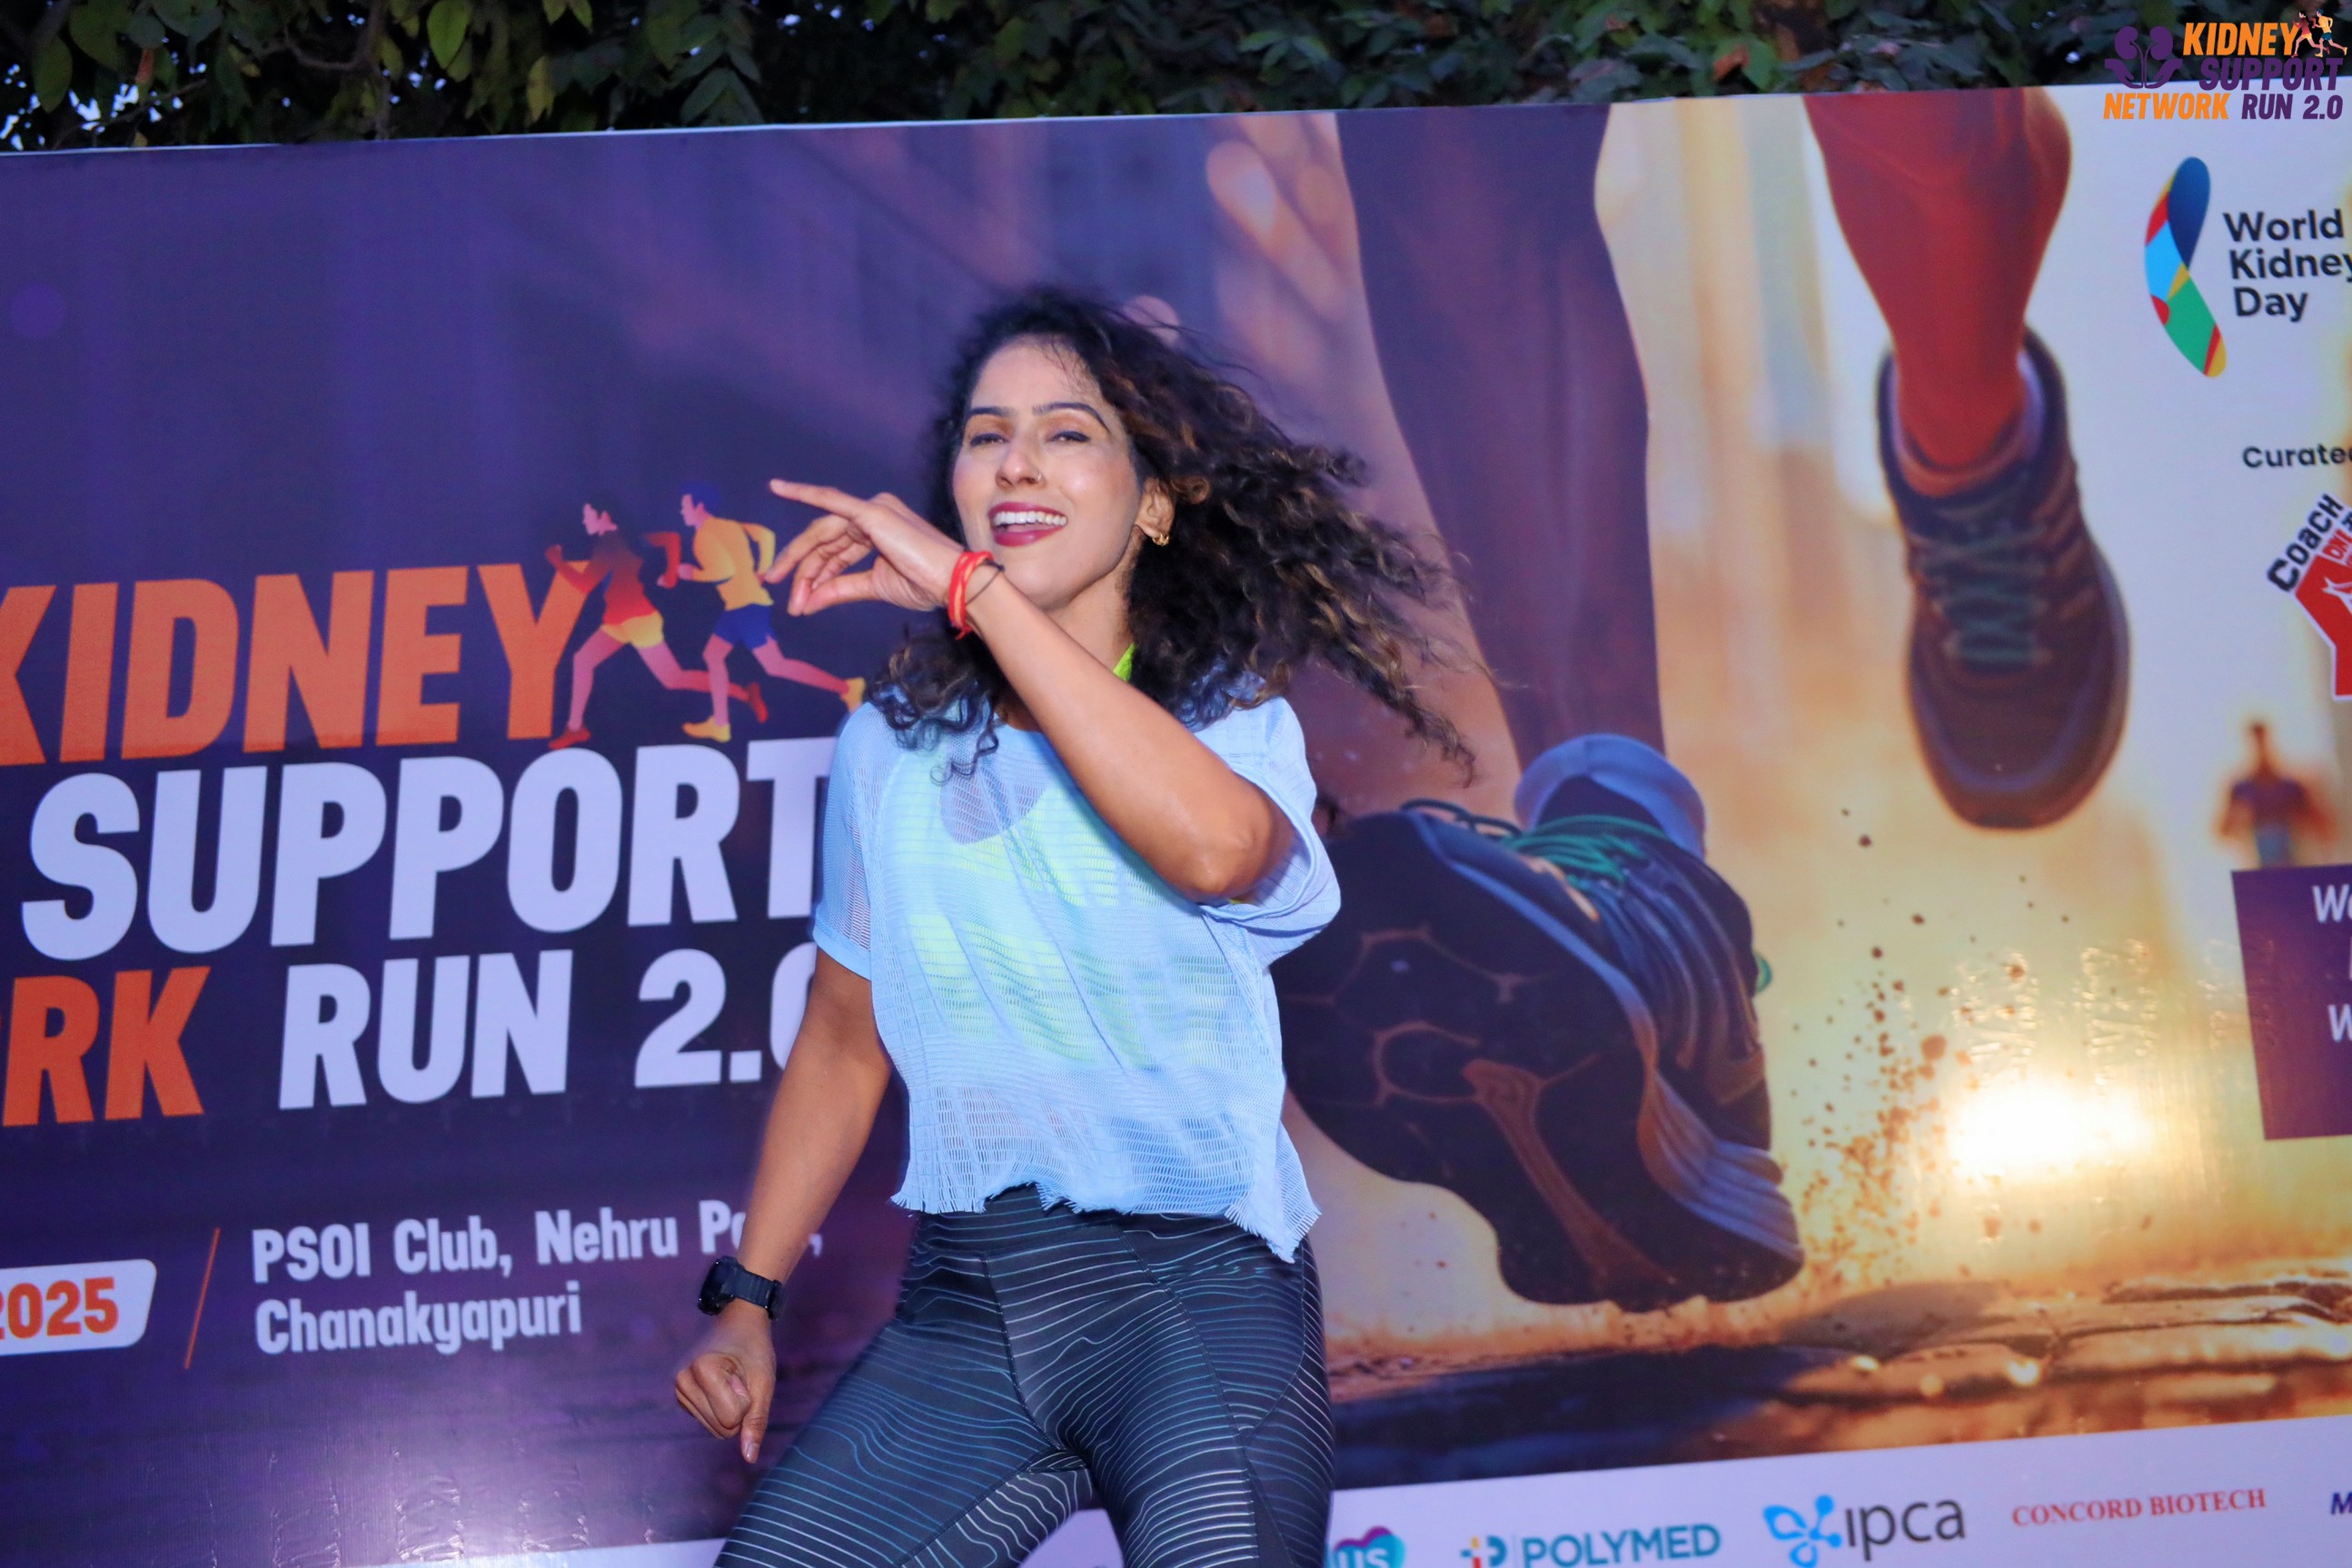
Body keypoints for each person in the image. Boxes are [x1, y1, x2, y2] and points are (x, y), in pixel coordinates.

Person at [673, 289, 1474, 1568]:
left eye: (1068, 432)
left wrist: (980, 598)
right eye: (987, 435)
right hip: (968, 1311)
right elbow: (841, 1035)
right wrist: (748, 1298)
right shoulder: (891, 744)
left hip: (1197, 1305)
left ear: (1153, 505)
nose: (1018, 463)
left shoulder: (1226, 720)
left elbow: (1215, 851)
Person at [545, 502, 768, 749]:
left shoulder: (608, 544)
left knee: (673, 679)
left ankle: (744, 694)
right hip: (618, 621)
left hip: (638, 621)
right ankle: (575, 728)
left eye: (588, 515)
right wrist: (670, 574)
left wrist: (557, 561)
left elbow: (584, 584)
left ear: (604, 515)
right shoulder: (629, 539)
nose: (584, 520)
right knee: (583, 660)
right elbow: (671, 539)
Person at [674, 490, 864, 740]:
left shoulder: (703, 536)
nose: (682, 512)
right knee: (713, 655)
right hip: (738, 606)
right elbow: (766, 535)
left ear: (700, 507)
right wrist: (763, 570)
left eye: (685, 506)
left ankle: (846, 687)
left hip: (746, 607)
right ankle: (720, 724)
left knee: (775, 665)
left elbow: (723, 570)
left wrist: (692, 573)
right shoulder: (729, 525)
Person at [2219, 720, 2333, 868]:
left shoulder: (2292, 787)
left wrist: (2300, 815)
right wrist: (2240, 818)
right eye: (2255, 742)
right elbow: (2223, 830)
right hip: (2258, 868)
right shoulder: (2241, 789)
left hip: (2295, 864)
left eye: (2262, 741)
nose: (2259, 748)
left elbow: (2325, 828)